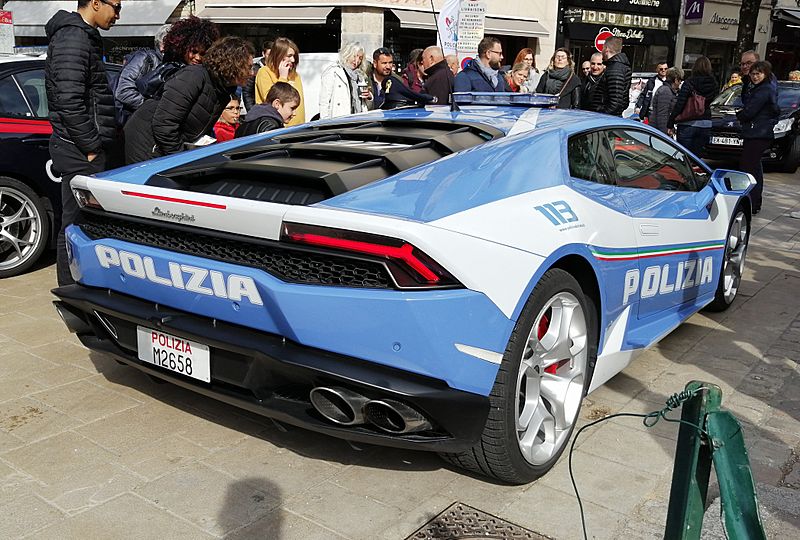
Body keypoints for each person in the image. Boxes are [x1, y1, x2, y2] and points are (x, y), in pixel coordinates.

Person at [45, 0, 120, 286]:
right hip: (78, 148)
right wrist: (90, 145)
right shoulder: (73, 37)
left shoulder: (83, 35)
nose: (118, 15)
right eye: (116, 6)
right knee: (75, 224)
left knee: (84, 222)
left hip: (82, 146)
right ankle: (71, 288)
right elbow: (69, 99)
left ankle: (83, 282)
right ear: (96, 3)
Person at [125, 37, 253, 163]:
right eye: (248, 67)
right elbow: (164, 124)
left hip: (167, 148)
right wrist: (181, 158)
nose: (252, 73)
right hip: (147, 146)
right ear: (232, 64)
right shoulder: (193, 76)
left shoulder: (223, 91)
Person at [135, 16, 220, 101]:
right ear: (183, 48)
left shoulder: (203, 72)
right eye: (194, 52)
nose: (198, 58)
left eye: (202, 54)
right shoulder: (173, 71)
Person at [737, 61, 780, 215]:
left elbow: (750, 111)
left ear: (765, 74)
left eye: (758, 74)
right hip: (758, 132)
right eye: (753, 74)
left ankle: (752, 201)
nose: (754, 77)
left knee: (748, 168)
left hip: (758, 133)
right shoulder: (763, 87)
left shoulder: (764, 89)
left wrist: (739, 115)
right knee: (754, 167)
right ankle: (755, 202)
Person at [114, 23, 170, 125]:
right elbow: (123, 92)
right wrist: (152, 108)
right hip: (133, 122)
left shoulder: (169, 64)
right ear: (162, 44)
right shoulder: (145, 58)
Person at [667, 56, 718, 158]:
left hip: (688, 122)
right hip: (706, 122)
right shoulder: (714, 83)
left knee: (684, 157)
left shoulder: (689, 82)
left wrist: (671, 122)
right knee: (697, 158)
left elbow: (680, 103)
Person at [255, 37, 304, 126]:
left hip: (298, 128)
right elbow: (272, 101)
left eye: (294, 56)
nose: (293, 60)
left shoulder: (295, 75)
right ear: (278, 55)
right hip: (277, 128)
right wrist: (282, 78)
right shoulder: (264, 72)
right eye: (289, 56)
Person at [319, 42, 371, 119]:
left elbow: (364, 104)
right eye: (354, 56)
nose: (357, 61)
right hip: (339, 118)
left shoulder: (360, 76)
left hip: (358, 119)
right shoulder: (333, 72)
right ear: (347, 54)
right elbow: (324, 101)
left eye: (360, 58)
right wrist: (324, 121)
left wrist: (369, 97)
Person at [236, 82, 300, 137]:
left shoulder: (246, 123)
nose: (294, 114)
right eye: (292, 108)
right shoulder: (270, 126)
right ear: (277, 104)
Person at [596, 36, 632, 116]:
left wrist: (601, 114)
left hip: (609, 118)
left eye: (602, 48)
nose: (601, 51)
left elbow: (615, 103)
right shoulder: (617, 66)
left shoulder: (615, 69)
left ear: (606, 49)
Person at [649, 67, 682, 135]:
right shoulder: (666, 91)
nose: (680, 82)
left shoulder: (669, 91)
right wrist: (664, 134)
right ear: (676, 80)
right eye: (680, 80)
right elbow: (662, 115)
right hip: (658, 131)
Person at [242, 40, 272, 112]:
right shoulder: (255, 69)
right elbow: (247, 93)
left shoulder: (276, 69)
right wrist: (252, 111)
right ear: (263, 54)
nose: (271, 57)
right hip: (258, 109)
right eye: (269, 54)